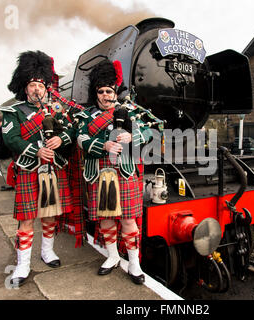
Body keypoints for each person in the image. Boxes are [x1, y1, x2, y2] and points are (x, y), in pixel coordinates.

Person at [47, 59, 153, 285]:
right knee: (105, 219)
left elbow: (149, 133)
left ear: (115, 92)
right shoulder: (86, 117)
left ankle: (134, 263)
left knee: (127, 220)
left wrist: (132, 137)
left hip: (124, 172)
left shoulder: (131, 112)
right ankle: (113, 256)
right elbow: (81, 139)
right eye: (101, 91)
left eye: (109, 91)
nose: (106, 95)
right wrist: (102, 146)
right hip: (100, 173)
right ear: (97, 93)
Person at [0, 50, 73, 287]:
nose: (36, 90)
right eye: (32, 85)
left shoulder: (57, 110)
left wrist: (61, 140)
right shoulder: (14, 111)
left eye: (40, 85)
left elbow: (71, 132)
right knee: (27, 218)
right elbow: (11, 139)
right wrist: (37, 150)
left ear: (46, 88)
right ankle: (22, 265)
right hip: (30, 169)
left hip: (53, 168)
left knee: (50, 214)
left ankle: (47, 252)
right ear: (25, 86)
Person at [0, 115, 13, 191]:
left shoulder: (2, 129)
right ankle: (10, 183)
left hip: (3, 153)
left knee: (5, 169)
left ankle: (9, 185)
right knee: (8, 168)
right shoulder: (6, 128)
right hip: (7, 152)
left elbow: (0, 143)